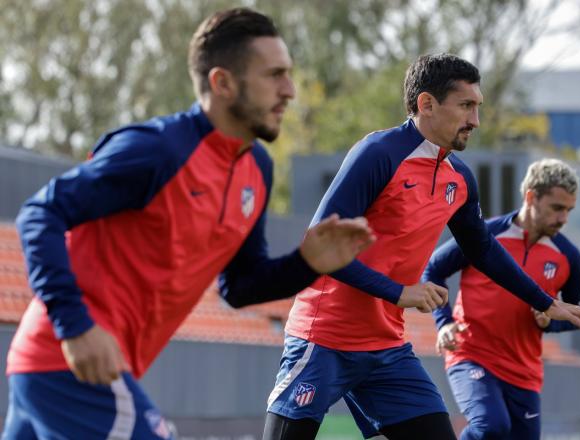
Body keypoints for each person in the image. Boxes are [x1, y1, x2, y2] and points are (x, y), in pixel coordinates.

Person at [2, 8, 376, 440]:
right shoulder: (157, 150)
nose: (289, 90)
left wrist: (306, 264)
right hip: (68, 363)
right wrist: (75, 326)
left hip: (54, 369)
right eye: (274, 75)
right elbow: (40, 213)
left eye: (288, 75)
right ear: (222, 83)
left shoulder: (257, 169)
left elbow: (239, 287)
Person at [262, 53, 580, 440]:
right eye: (466, 106)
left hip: (386, 346)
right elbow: (319, 246)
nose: (475, 120)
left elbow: (483, 249)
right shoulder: (378, 153)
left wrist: (545, 302)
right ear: (427, 104)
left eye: (478, 107)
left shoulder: (459, 178)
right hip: (323, 336)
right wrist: (399, 292)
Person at [425, 158, 580, 440]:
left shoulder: (568, 255)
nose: (564, 218)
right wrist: (443, 322)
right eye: (557, 208)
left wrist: (549, 323)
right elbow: (433, 269)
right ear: (531, 197)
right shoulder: (484, 236)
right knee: (491, 427)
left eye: (569, 210)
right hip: (472, 356)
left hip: (524, 374)